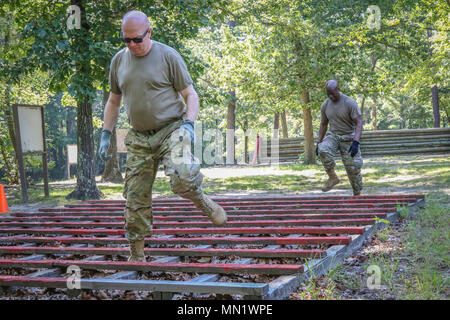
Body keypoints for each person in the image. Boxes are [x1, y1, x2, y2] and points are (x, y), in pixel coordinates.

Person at [99, 10, 227, 262]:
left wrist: (189, 123)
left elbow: (191, 94)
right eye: (127, 40)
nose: (132, 45)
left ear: (150, 32)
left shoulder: (168, 56)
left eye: (137, 39)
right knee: (134, 196)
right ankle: (136, 254)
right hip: (139, 137)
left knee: (182, 178)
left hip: (172, 129)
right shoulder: (118, 61)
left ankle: (201, 199)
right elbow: (113, 102)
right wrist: (106, 133)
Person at [316, 80, 363, 196]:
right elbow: (323, 124)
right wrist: (318, 142)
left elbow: (359, 123)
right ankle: (333, 178)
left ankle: (357, 195)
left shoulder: (349, 103)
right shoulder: (325, 105)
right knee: (323, 149)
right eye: (328, 94)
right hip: (333, 136)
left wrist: (356, 142)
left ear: (338, 89)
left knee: (353, 169)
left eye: (333, 93)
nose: (331, 96)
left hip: (349, 137)